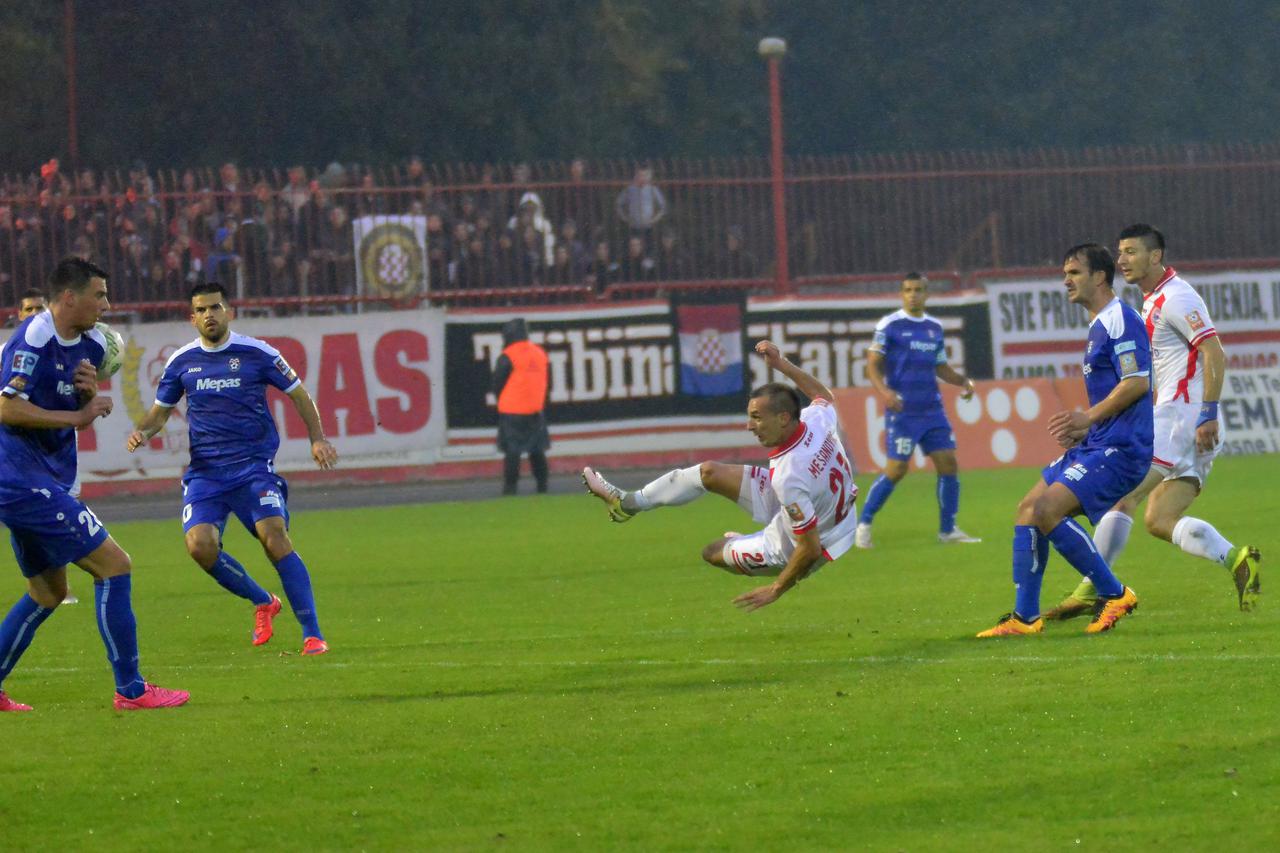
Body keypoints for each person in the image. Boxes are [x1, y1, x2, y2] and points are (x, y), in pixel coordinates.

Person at [0, 257, 189, 711]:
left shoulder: (86, 344)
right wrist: (78, 414)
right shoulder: (34, 338)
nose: (107, 303)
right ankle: (131, 689)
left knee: (48, 592)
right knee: (115, 565)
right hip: (18, 479)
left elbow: (63, 409)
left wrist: (82, 396)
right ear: (69, 297)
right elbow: (6, 408)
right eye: (99, 294)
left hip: (40, 476)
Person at [1045, 225, 1261, 619]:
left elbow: (1214, 352)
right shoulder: (1152, 300)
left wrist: (1208, 412)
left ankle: (1090, 591)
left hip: (1182, 417)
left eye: (1130, 252)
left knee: (1120, 496)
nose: (1121, 260)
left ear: (1155, 256)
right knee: (1160, 520)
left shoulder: (1177, 298)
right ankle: (1237, 560)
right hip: (1186, 422)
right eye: (1119, 252)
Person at [126, 282, 336, 655]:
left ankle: (313, 633)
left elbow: (299, 394)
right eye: (202, 310)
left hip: (253, 467)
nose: (210, 315)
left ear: (230, 312)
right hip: (206, 473)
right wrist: (143, 431)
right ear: (192, 319)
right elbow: (160, 412)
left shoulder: (257, 353)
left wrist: (317, 439)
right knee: (200, 547)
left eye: (216, 307)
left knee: (274, 536)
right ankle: (263, 601)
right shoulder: (181, 362)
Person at [583, 340, 859, 611]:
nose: (749, 426)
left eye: (757, 417)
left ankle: (755, 544)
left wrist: (776, 589)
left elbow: (809, 549)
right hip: (817, 506)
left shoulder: (789, 475)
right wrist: (780, 364)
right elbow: (823, 395)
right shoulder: (815, 420)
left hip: (795, 546)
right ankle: (627, 503)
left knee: (713, 552)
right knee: (709, 472)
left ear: (784, 418)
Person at [977, 244, 1151, 637]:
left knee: (1047, 510)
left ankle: (1115, 593)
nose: (1066, 280)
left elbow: (1138, 381)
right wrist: (1088, 426)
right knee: (1028, 508)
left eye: (1074, 272)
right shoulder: (1099, 324)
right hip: (1099, 441)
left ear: (1099, 277)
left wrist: (1087, 417)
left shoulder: (1120, 319)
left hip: (1123, 449)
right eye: (1065, 273)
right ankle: (1025, 619)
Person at [856, 273, 981, 548]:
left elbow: (941, 367)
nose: (913, 294)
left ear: (927, 294)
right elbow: (873, 364)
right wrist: (885, 392)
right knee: (896, 469)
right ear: (902, 294)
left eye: (918, 290)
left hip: (932, 409)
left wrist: (963, 382)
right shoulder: (889, 325)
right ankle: (863, 523)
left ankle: (948, 530)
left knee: (948, 463)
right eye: (908, 290)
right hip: (903, 411)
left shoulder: (934, 327)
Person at [4, 289, 79, 605]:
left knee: (63, 509)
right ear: (18, 315)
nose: (35, 313)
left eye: (39, 308)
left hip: (58, 450)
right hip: (20, 455)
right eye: (28, 308)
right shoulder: (10, 353)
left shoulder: (62, 351)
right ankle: (41, 585)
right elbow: (7, 406)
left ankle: (56, 585)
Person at [493, 318, 550, 495]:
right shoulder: (540, 353)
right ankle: (542, 486)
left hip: (512, 410)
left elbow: (497, 384)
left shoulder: (508, 355)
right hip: (535, 409)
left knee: (512, 451)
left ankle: (510, 488)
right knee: (537, 450)